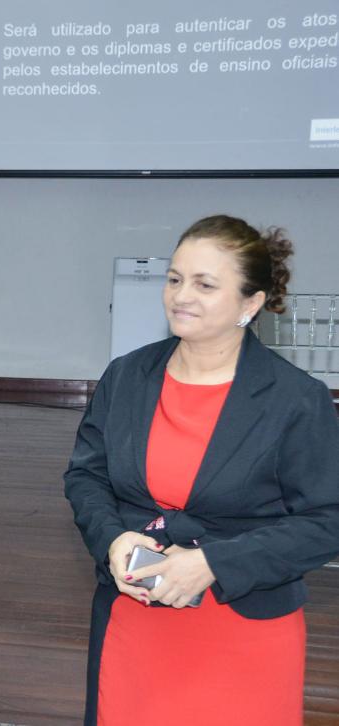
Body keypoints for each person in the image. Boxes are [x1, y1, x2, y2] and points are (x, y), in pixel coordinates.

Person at [64, 214, 339, 725]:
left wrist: (212, 563)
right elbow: (87, 476)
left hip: (244, 627)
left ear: (251, 303)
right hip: (136, 619)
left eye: (205, 284)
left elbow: (327, 520)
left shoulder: (296, 399)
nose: (180, 295)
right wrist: (112, 540)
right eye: (175, 279)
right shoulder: (127, 375)